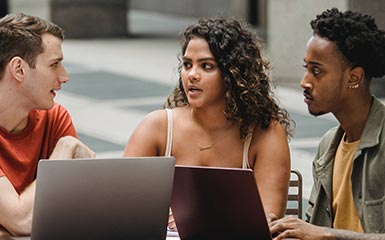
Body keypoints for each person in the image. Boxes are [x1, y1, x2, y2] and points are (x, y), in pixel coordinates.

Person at [123, 16, 293, 231]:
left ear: (233, 73)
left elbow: (266, 222)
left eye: (207, 66)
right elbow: (124, 205)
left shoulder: (265, 133)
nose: (192, 75)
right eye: (187, 65)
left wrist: (194, 219)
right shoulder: (157, 127)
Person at [269, 8, 385, 239]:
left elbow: (322, 233)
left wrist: (327, 235)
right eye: (306, 69)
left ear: (354, 78)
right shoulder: (328, 146)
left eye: (316, 71)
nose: (304, 82)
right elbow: (316, 226)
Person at [0, 13, 95, 237]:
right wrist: (63, 151)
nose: (64, 77)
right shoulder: (65, 143)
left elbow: (76, 214)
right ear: (19, 69)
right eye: (54, 65)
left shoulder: (55, 118)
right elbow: (23, 221)